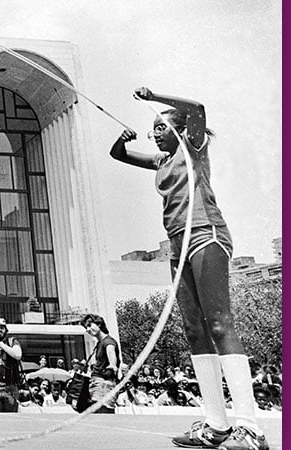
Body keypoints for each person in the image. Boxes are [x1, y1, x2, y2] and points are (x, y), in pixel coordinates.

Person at [109, 87, 268, 450]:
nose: (154, 133)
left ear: (178, 128)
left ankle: (251, 427)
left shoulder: (193, 148)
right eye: (152, 129)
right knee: (195, 330)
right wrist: (122, 139)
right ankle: (216, 425)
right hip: (177, 242)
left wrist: (154, 94)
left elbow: (197, 107)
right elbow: (118, 154)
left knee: (218, 321)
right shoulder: (161, 161)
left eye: (160, 126)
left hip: (206, 233)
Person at [76, 314, 120, 414]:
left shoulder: (108, 342)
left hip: (103, 385)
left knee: (103, 414)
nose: (87, 329)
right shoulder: (100, 343)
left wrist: (112, 366)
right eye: (86, 327)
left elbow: (112, 357)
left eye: (89, 325)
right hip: (98, 384)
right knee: (97, 415)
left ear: (99, 324)